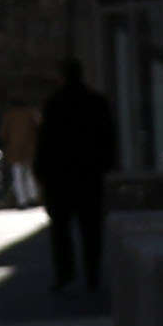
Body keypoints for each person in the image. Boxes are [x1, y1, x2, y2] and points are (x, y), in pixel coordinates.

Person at [34, 59, 116, 294]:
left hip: (59, 177)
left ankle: (64, 273)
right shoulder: (96, 103)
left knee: (60, 229)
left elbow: (45, 142)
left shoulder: (54, 104)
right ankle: (92, 273)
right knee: (91, 228)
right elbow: (108, 137)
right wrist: (104, 164)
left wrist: (41, 171)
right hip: (89, 174)